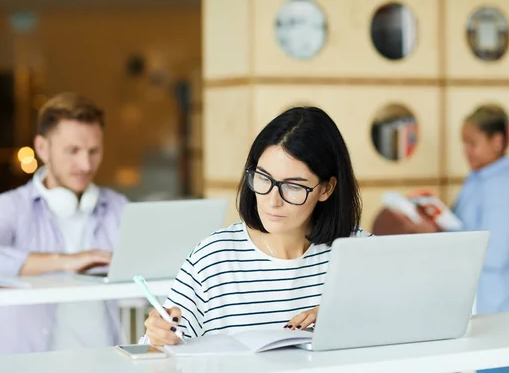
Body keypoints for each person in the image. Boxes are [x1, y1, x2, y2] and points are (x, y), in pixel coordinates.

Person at [143, 106, 372, 345]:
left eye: (293, 186)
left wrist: (344, 314)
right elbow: (156, 357)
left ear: (327, 188)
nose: (273, 201)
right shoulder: (214, 258)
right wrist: (157, 340)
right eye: (264, 178)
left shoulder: (360, 252)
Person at [0, 93, 129, 355]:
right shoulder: (12, 206)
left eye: (94, 151)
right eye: (73, 151)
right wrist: (65, 261)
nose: (86, 164)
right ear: (42, 148)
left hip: (105, 363)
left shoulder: (118, 207)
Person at [454, 105, 509, 373]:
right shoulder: (478, 179)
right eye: (464, 143)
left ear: (497, 142)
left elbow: (493, 253)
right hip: (477, 305)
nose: (466, 151)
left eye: (472, 143)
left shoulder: (504, 187)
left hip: (496, 306)